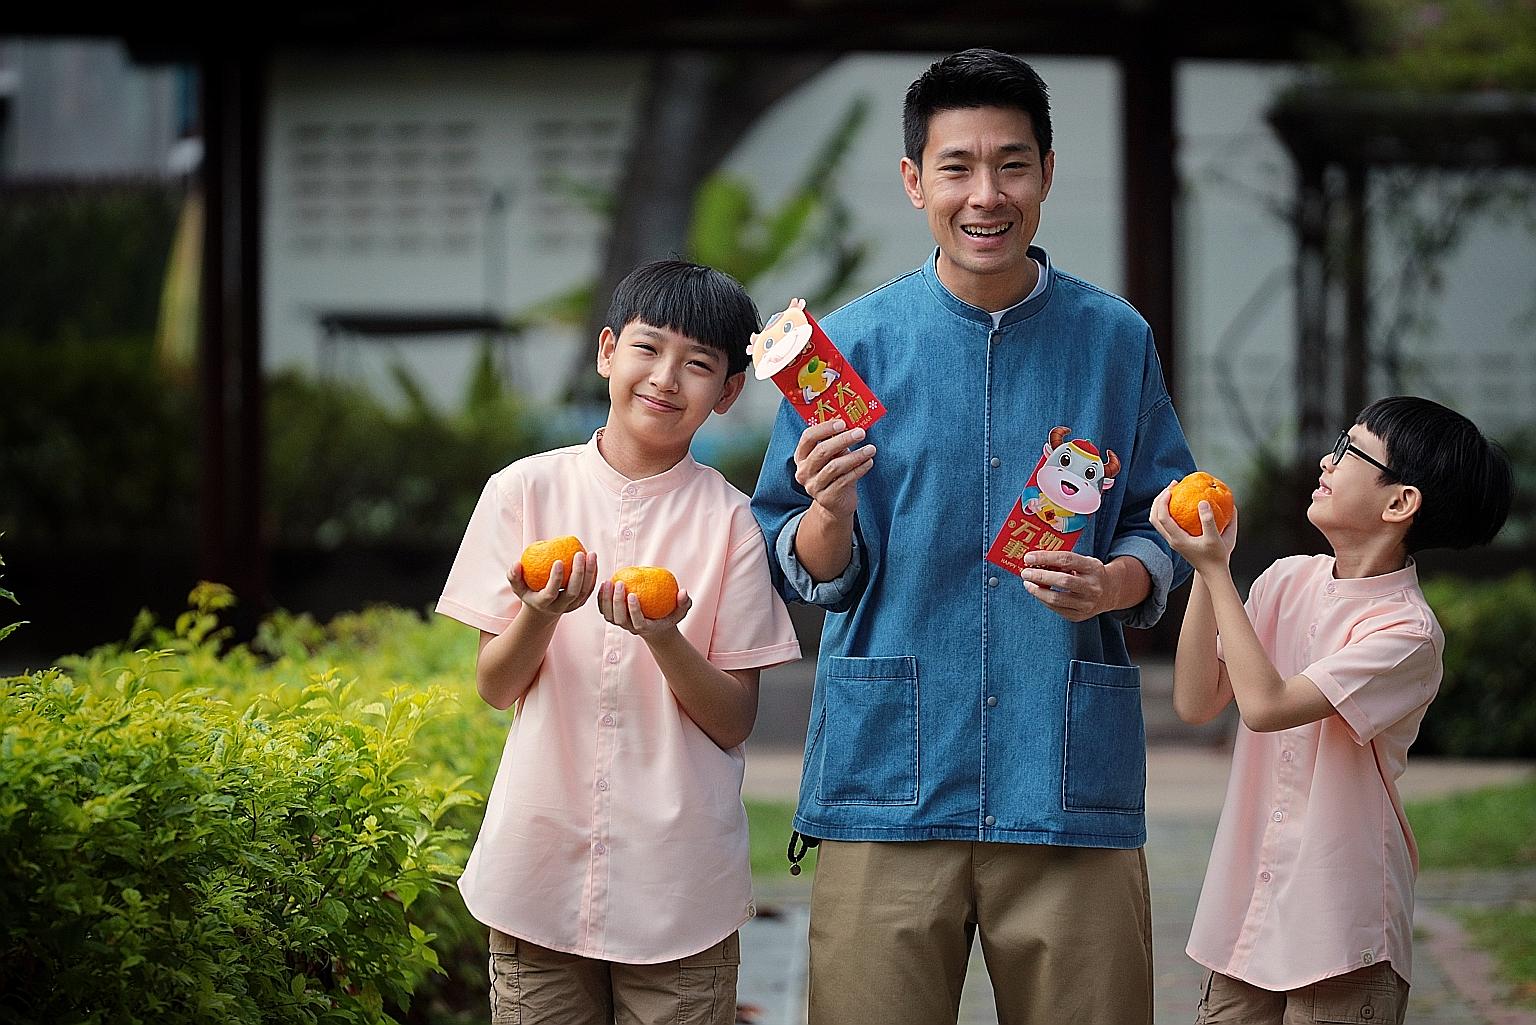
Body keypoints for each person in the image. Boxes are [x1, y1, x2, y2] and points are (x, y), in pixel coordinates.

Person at [750, 49, 1196, 1025]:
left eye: (1012, 163)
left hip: (1064, 778)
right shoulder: (846, 349)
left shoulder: (1114, 338)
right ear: (916, 181)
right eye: (957, 166)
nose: (985, 194)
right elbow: (792, 554)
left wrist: (1118, 581)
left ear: (1045, 171)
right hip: (888, 781)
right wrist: (826, 513)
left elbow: (1167, 513)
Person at [438, 259, 802, 1025]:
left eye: (699, 363)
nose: (667, 377)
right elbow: (495, 685)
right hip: (537, 867)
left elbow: (734, 719)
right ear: (607, 352)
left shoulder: (734, 522)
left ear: (730, 391)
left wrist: (666, 639)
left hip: (680, 887)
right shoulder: (522, 491)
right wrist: (539, 611)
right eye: (648, 348)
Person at [1150, 396, 1512, 1025]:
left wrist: (1214, 573)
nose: (1326, 460)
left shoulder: (1406, 633)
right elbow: (1197, 700)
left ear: (1399, 503)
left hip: (1341, 932)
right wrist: (1211, 572)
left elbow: (1265, 707)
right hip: (1246, 917)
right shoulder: (1283, 581)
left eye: (1349, 451)